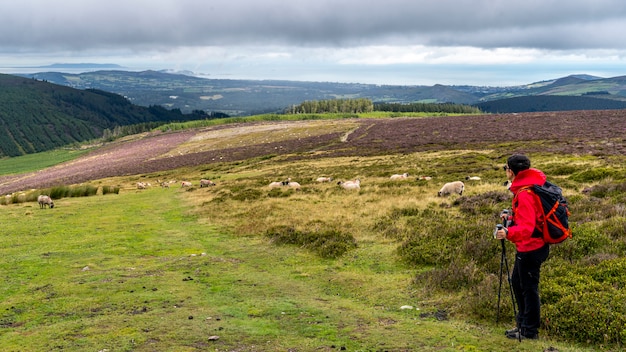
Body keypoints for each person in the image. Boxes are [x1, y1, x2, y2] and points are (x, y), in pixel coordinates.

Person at [495, 154, 550, 340]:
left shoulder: (525, 193)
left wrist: (508, 233)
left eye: (506, 168)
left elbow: (527, 229)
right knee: (518, 284)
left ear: (511, 171)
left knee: (528, 288)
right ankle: (523, 325)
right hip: (531, 246)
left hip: (531, 248)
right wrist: (510, 220)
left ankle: (529, 330)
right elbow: (528, 220)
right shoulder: (528, 188)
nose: (505, 171)